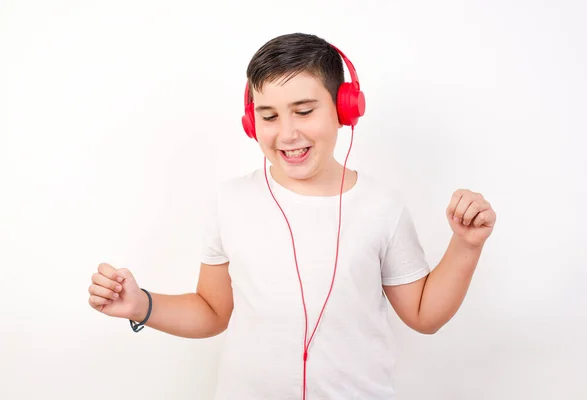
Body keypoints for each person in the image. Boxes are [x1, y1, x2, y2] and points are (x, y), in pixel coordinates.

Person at [88, 32, 497, 399]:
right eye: (269, 116)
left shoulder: (381, 206)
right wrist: (140, 304)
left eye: (304, 111)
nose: (286, 133)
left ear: (344, 109)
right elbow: (212, 311)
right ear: (252, 122)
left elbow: (424, 315)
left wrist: (465, 245)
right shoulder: (229, 201)